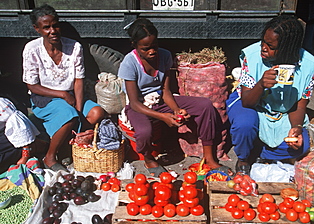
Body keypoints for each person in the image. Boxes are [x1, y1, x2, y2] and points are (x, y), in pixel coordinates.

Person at [118, 18, 231, 177]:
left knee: (205, 105)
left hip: (160, 100)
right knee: (144, 131)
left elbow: (165, 91)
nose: (152, 51)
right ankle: (149, 159)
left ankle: (209, 157)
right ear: (134, 45)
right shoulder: (129, 63)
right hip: (139, 105)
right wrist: (162, 116)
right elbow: (134, 103)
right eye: (145, 48)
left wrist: (177, 110)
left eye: (154, 46)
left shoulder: (164, 56)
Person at [226, 15, 314, 175]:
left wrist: (296, 128)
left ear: (287, 48)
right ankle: (243, 158)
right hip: (251, 103)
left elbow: (300, 105)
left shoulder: (308, 66)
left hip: (284, 111)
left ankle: (259, 152)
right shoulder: (252, 55)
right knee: (244, 125)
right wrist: (261, 85)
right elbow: (247, 102)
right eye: (263, 41)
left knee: (301, 145)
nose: (263, 47)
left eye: (270, 46)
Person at [22, 4, 106, 171]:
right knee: (69, 115)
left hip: (70, 96)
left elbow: (78, 81)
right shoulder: (32, 49)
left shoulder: (74, 47)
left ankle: (67, 142)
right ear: (37, 29)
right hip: (44, 98)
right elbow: (32, 85)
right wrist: (62, 95)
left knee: (97, 112)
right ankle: (50, 157)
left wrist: (79, 109)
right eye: (46, 27)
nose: (52, 31)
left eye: (55, 25)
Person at [0, 97, 47, 174]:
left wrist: (25, 156)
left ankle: (34, 146)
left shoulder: (1, 105)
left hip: (10, 137)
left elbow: (20, 129)